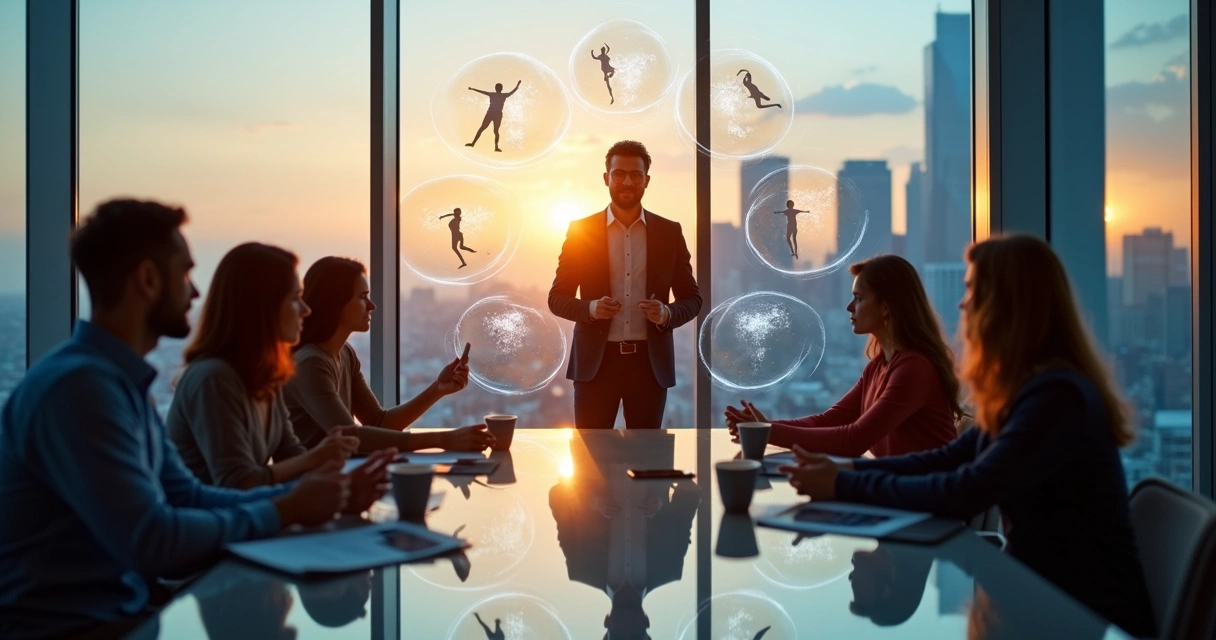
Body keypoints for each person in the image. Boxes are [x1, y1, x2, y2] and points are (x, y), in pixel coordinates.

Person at [0, 199, 389, 639]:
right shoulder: (80, 389)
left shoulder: (114, 383)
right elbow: (153, 540)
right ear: (147, 279)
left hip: (122, 616)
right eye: (185, 274)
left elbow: (187, 496)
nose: (197, 292)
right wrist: (287, 508)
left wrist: (312, 499)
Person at [779, 235, 1156, 638]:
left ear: (1007, 305)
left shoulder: (1056, 399)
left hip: (1077, 614)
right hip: (1040, 598)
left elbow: (965, 489)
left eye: (973, 290)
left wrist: (844, 482)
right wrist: (847, 472)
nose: (962, 304)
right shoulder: (1033, 391)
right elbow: (947, 458)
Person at [166, 243, 374, 489]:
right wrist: (319, 463)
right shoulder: (214, 379)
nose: (306, 310)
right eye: (295, 299)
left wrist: (344, 489)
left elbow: (291, 455)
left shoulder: (266, 375)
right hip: (210, 523)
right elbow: (238, 482)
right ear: (263, 307)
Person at [726, 254, 961, 457]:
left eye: (859, 298)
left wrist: (764, 431)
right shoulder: (878, 367)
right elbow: (829, 421)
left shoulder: (914, 369)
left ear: (886, 307)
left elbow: (853, 440)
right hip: (903, 491)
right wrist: (764, 425)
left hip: (932, 500)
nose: (849, 307)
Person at [548, 140, 702, 429]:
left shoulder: (669, 232)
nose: (627, 181)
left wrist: (667, 314)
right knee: (591, 462)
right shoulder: (581, 232)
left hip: (649, 366)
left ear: (647, 180)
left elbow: (692, 299)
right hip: (596, 364)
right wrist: (592, 308)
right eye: (619, 174)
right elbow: (557, 298)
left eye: (636, 175)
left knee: (647, 461)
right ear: (606, 178)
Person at [285, 257, 495, 453]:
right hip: (306, 484)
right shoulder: (311, 363)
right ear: (335, 303)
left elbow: (379, 422)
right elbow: (352, 437)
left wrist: (437, 389)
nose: (372, 306)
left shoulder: (345, 354)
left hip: (335, 476)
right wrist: (442, 440)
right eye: (362, 297)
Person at [549, 431, 699, 639]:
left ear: (607, 622)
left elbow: (557, 496)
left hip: (597, 449)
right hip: (649, 447)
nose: (627, 626)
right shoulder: (669, 569)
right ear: (646, 622)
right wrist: (662, 506)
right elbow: (691, 493)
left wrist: (592, 503)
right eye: (635, 633)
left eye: (620, 633)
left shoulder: (581, 568)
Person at [465, 80, 521, 152]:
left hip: (495, 114)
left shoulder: (498, 95)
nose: (497, 88)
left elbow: (513, 91)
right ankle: (474, 143)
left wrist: (517, 85)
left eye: (497, 87)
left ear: (499, 88)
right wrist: (473, 89)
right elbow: (482, 92)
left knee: (493, 130)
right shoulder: (498, 95)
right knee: (486, 129)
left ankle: (495, 147)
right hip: (492, 114)